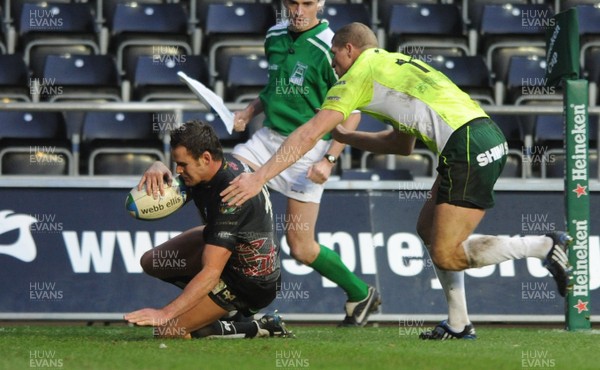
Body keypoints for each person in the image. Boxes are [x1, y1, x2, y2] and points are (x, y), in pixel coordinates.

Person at [220, 22, 574, 340]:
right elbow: (400, 145)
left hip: (467, 145)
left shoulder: (358, 73)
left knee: (448, 253)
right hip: (478, 135)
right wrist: (346, 136)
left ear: (349, 49)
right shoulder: (392, 66)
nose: (333, 67)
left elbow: (309, 133)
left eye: (335, 59)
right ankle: (458, 322)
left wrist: (258, 178)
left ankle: (543, 245)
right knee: (427, 228)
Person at [230, 0, 380, 326]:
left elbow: (352, 113)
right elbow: (275, 86)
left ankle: (360, 293)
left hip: (310, 148)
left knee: (300, 247)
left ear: (320, 4)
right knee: (228, 190)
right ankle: (236, 300)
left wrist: (329, 159)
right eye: (292, 2)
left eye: (307, 3)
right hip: (267, 140)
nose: (298, 10)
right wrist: (249, 111)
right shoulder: (273, 36)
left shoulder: (333, 48)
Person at [124, 121, 292, 339]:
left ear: (205, 158)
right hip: (231, 254)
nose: (178, 170)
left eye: (182, 164)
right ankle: (219, 310)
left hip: (248, 284)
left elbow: (211, 272)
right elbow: (171, 191)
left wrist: (164, 313)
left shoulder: (230, 194)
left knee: (168, 331)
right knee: (153, 261)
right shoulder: (210, 169)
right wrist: (157, 165)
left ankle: (260, 325)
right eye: (176, 164)